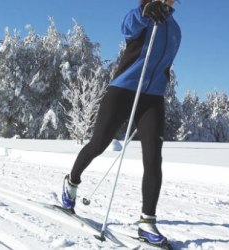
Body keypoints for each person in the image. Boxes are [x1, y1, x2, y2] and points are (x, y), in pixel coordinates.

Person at [61, 0, 180, 246]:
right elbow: (127, 28)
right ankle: (71, 182)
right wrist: (144, 12)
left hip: (152, 97)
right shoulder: (143, 16)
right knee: (98, 143)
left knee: (153, 156)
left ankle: (147, 221)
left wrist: (163, 80)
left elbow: (166, 64)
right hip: (124, 89)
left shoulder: (176, 30)